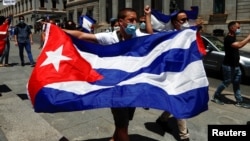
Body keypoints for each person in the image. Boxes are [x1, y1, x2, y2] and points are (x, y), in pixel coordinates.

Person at [64, 5, 151, 141]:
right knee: (122, 126)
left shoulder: (138, 35)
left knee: (124, 122)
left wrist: (148, 17)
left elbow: (153, 40)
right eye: (131, 20)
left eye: (135, 21)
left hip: (131, 87)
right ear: (121, 22)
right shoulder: (109, 37)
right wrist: (57, 30)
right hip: (115, 90)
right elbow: (82, 35)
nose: (135, 23)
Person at [149, 10, 193, 141]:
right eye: (182, 20)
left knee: (175, 100)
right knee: (180, 102)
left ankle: (162, 119)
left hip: (185, 73)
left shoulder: (189, 34)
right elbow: (151, 35)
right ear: (175, 23)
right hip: (172, 75)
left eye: (186, 19)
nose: (186, 22)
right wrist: (147, 16)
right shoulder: (170, 35)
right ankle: (184, 136)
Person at [212, 21, 250, 108]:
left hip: (236, 66)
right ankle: (216, 96)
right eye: (238, 27)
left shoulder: (233, 36)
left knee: (237, 83)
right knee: (226, 82)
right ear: (232, 28)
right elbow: (239, 45)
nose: (239, 29)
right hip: (228, 66)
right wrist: (248, 37)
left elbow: (239, 44)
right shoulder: (228, 38)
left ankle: (239, 101)